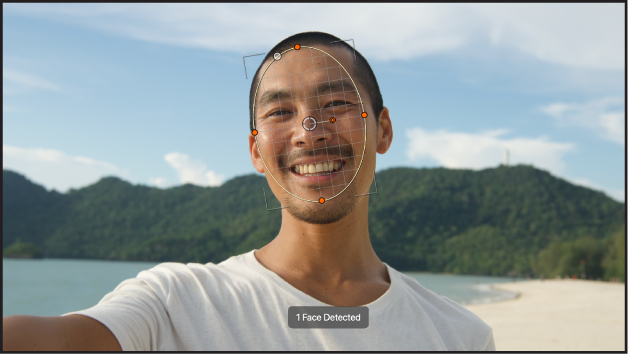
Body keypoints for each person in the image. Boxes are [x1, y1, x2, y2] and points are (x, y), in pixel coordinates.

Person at [2, 31, 495, 351]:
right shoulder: (176, 303)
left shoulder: (460, 335)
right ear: (257, 152)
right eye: (280, 112)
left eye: (338, 103)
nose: (310, 130)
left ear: (383, 129)